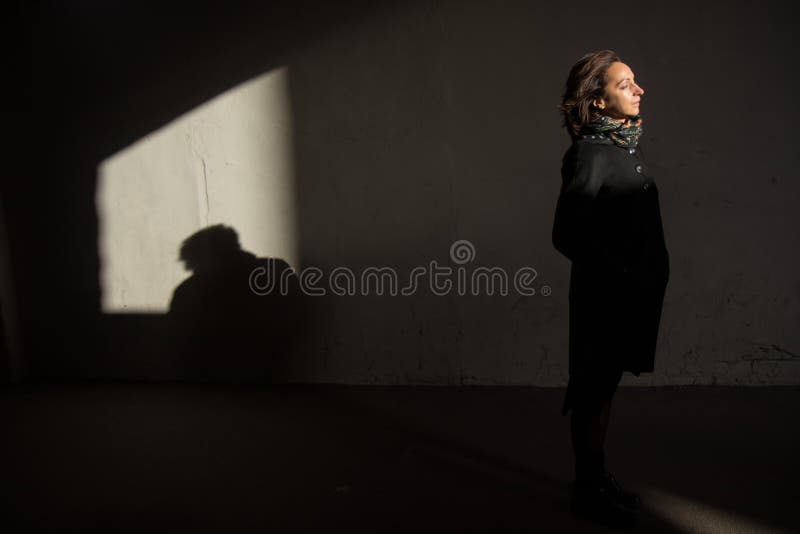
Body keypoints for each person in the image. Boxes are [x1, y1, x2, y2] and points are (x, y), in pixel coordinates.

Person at [552, 50, 670, 528]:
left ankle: (596, 479)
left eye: (635, 80)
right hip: (605, 300)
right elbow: (566, 233)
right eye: (625, 84)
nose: (639, 89)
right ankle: (587, 488)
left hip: (628, 297)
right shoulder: (589, 154)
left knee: (604, 390)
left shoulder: (625, 146)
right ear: (597, 102)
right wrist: (621, 272)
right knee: (592, 389)